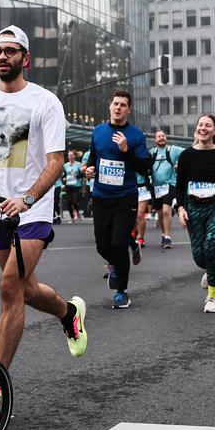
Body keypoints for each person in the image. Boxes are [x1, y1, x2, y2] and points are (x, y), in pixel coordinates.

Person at [0, 24, 87, 368]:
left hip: (32, 211)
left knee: (9, 286)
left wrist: (27, 198)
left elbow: (55, 162)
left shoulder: (46, 102)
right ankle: (68, 312)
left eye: (11, 51)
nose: (3, 57)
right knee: (24, 288)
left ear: (27, 59)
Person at [83, 90, 151, 309]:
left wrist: (127, 150)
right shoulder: (99, 131)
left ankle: (121, 291)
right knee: (103, 245)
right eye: (115, 103)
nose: (118, 107)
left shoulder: (136, 135)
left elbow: (144, 166)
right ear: (110, 107)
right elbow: (93, 158)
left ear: (128, 109)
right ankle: (130, 245)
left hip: (125, 196)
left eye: (123, 104)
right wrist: (89, 169)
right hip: (101, 195)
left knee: (117, 243)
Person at [176, 114, 215, 313]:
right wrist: (180, 208)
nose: (203, 128)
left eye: (208, 125)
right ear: (196, 128)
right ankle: (213, 265)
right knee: (199, 256)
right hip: (193, 206)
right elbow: (179, 186)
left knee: (210, 247)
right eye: (200, 124)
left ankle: (213, 297)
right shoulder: (186, 156)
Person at [149, 129, 184, 249]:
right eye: (159, 136)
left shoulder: (172, 150)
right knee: (159, 213)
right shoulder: (152, 152)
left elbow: (188, 153)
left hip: (170, 184)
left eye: (163, 136)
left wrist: (180, 163)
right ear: (155, 140)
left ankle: (168, 237)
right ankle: (164, 235)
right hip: (156, 187)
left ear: (166, 138)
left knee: (165, 210)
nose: (161, 138)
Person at [61, 151, 83, 222]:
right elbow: (63, 175)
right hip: (68, 185)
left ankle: (78, 213)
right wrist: (64, 179)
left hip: (76, 185)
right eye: (69, 156)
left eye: (71, 155)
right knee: (68, 202)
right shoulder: (65, 165)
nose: (70, 157)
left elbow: (82, 175)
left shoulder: (78, 164)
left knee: (74, 201)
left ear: (74, 156)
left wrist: (76, 175)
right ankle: (72, 218)